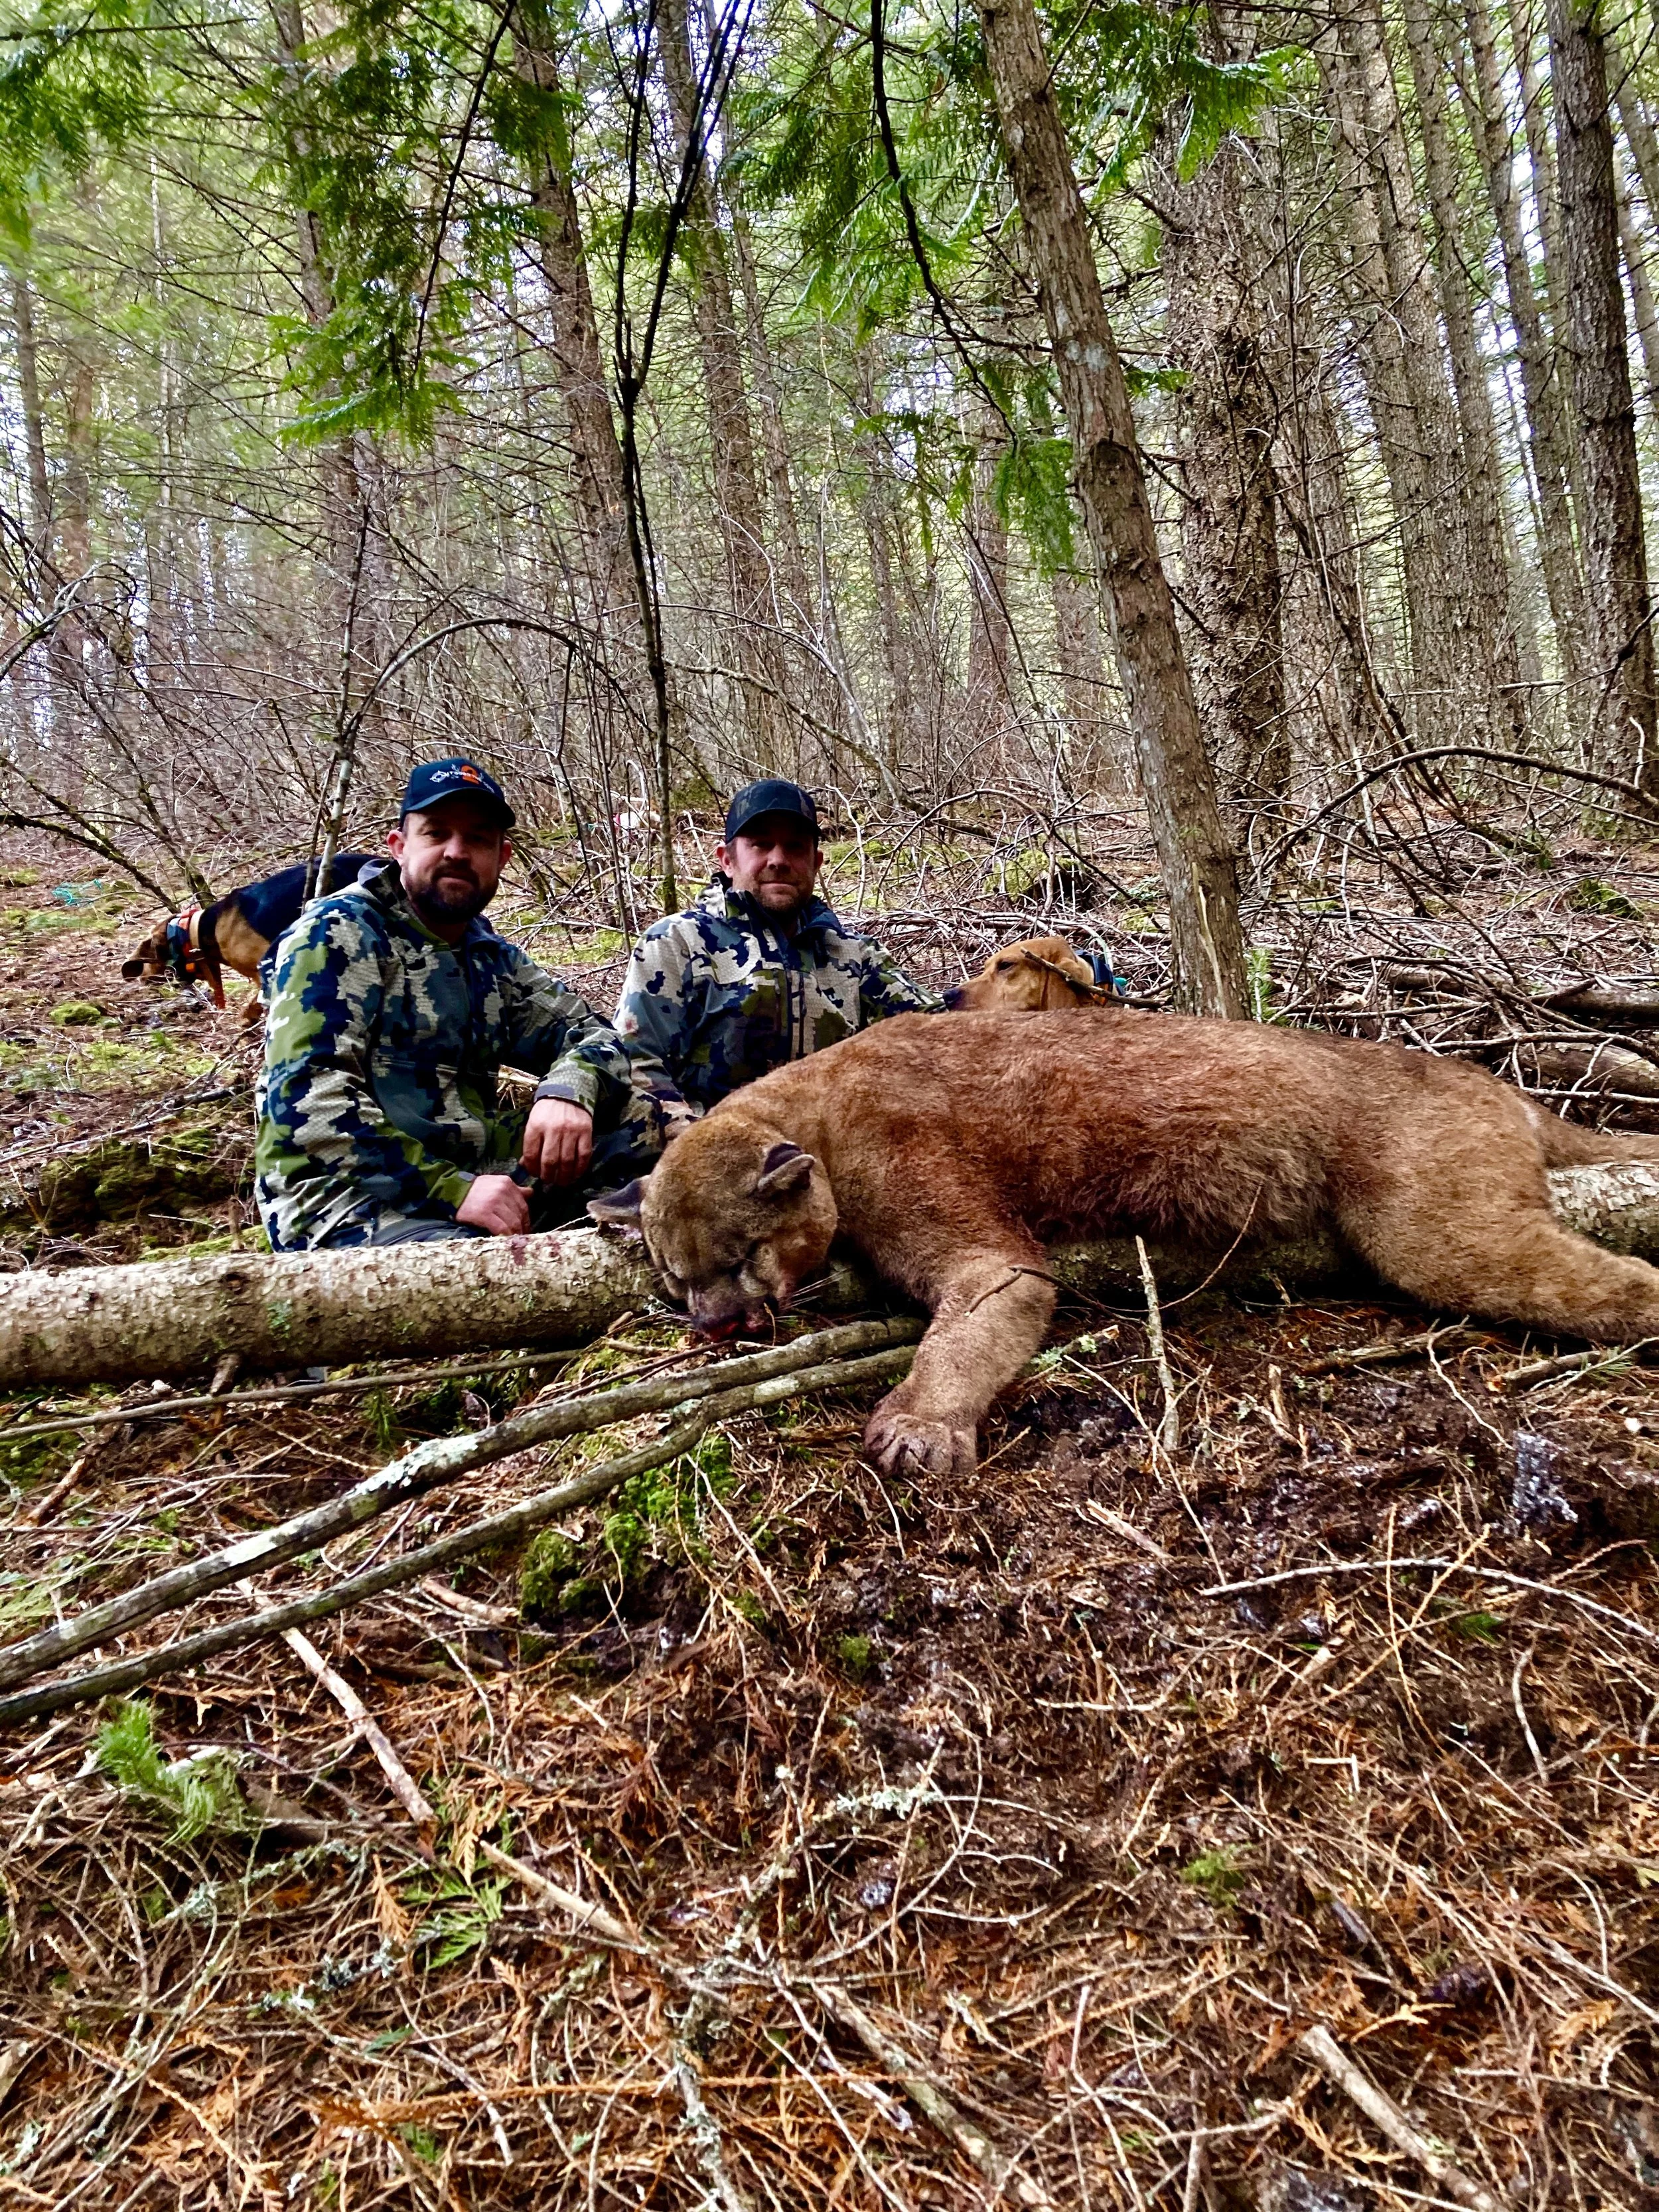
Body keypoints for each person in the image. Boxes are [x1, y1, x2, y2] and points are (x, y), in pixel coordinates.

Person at [255, 758, 682, 1250]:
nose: (457, 852)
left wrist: (569, 1089)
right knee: (476, 1282)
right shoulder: (339, 933)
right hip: (347, 1194)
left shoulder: (487, 955)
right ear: (399, 847)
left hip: (473, 1173)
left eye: (478, 839)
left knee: (646, 1118)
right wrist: (451, 1189)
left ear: (501, 858)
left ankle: (624, 1244)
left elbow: (596, 1035)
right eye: (437, 833)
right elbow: (306, 1101)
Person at [614, 778, 940, 1112]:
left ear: (816, 862)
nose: (778, 860)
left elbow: (936, 1034)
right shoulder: (677, 942)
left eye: (795, 847)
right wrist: (698, 1142)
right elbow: (634, 1063)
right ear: (727, 860)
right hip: (711, 1148)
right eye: (761, 844)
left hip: (833, 1149)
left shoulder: (856, 957)